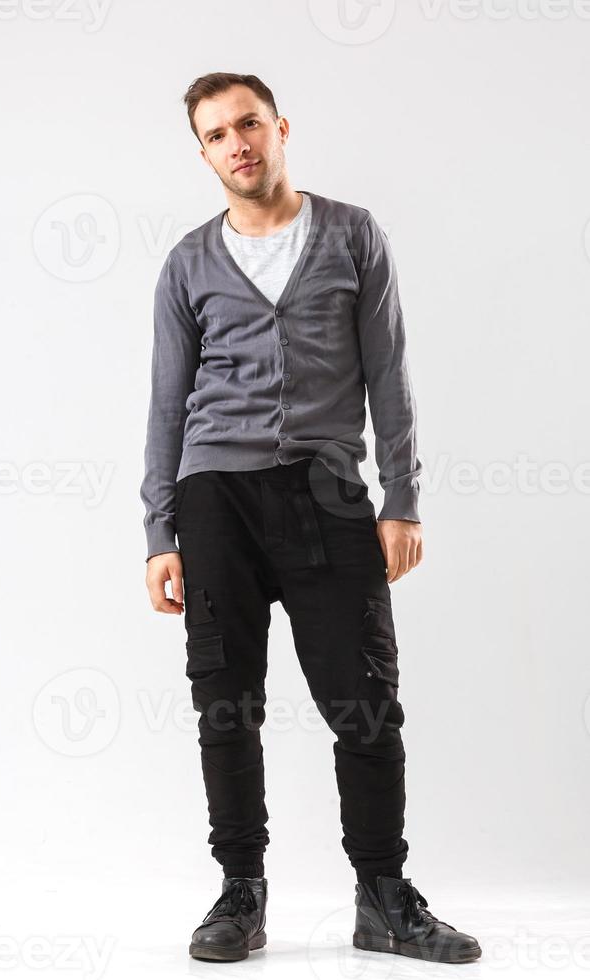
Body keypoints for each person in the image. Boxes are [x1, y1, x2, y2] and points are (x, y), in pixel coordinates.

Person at [140, 71, 481, 965]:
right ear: (205, 153)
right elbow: (166, 407)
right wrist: (157, 534)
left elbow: (389, 373)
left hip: (329, 491)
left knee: (365, 703)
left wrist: (401, 499)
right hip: (215, 498)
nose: (237, 144)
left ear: (280, 127)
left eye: (249, 124)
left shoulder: (350, 233)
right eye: (217, 135)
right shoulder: (186, 262)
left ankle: (382, 895)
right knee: (226, 703)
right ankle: (240, 894)